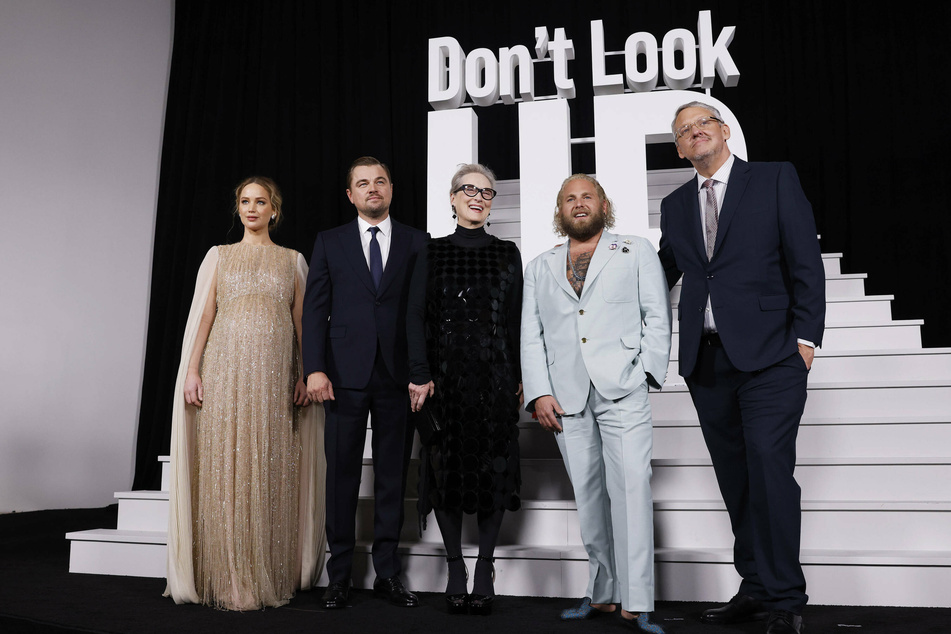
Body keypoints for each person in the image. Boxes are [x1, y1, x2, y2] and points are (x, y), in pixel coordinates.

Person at [658, 101, 825, 634]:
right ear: (680, 148)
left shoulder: (774, 179)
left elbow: (805, 260)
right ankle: (754, 586)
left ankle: (785, 598)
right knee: (736, 480)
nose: (696, 132)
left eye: (703, 123)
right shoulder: (675, 203)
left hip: (773, 356)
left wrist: (805, 339)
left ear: (724, 132)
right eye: (685, 131)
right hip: (706, 363)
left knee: (770, 472)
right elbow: (662, 271)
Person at [165, 176, 326, 610]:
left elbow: (301, 325)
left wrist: (305, 373)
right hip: (223, 370)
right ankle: (230, 579)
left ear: (275, 209)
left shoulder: (293, 260)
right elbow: (203, 318)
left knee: (268, 472)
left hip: (274, 379)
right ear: (237, 208)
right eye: (244, 201)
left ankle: (263, 574)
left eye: (260, 202)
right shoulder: (218, 257)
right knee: (226, 474)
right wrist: (193, 369)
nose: (251, 209)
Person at [521, 174, 671, 633]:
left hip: (622, 389)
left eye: (587, 196)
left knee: (630, 491)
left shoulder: (635, 250)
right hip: (566, 398)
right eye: (570, 198)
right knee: (588, 498)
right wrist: (539, 392)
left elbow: (656, 314)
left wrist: (645, 372)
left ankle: (638, 599)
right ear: (559, 210)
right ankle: (604, 593)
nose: (579, 203)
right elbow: (532, 335)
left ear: (604, 204)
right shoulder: (540, 265)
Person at [302, 156, 427, 609]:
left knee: (393, 476)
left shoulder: (417, 241)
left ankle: (387, 574)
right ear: (350, 194)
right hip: (341, 375)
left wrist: (420, 372)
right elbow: (314, 309)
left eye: (379, 181)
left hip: (397, 376)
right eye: (362, 183)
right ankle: (339, 576)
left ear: (391, 188)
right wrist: (313, 368)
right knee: (342, 477)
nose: (372, 189)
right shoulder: (329, 242)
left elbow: (421, 313)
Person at [406, 164, 523, 616]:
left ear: (492, 202)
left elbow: (514, 321)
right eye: (468, 190)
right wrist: (420, 373)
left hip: (494, 381)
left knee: (493, 473)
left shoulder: (507, 253)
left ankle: (485, 568)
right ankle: (456, 567)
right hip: (443, 383)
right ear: (452, 198)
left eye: (486, 192)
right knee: (447, 474)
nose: (477, 197)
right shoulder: (430, 253)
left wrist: (519, 376)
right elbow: (415, 316)